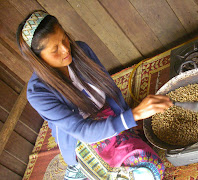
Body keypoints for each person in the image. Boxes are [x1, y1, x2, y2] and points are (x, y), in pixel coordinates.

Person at [17, 10, 173, 180]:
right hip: (83, 139)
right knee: (147, 173)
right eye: (55, 49)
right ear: (39, 59)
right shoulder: (38, 93)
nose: (65, 49)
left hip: (108, 116)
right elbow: (82, 131)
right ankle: (78, 169)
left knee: (151, 165)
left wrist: (127, 116)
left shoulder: (81, 50)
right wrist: (134, 115)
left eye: (64, 38)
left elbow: (109, 87)